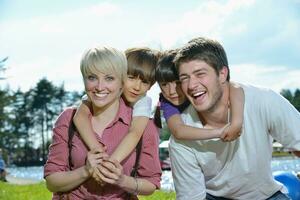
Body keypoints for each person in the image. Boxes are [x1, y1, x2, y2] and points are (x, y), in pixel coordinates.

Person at [168, 37, 300, 200]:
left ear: (222, 74)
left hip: (265, 196)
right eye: (185, 78)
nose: (191, 85)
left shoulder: (264, 100)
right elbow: (192, 197)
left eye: (200, 74)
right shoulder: (181, 137)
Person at [44, 46, 161, 199]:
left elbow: (150, 183)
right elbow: (52, 183)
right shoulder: (69, 118)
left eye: (109, 78)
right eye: (92, 77)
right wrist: (86, 171)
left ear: (120, 80)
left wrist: (122, 180)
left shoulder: (143, 122)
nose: (99, 87)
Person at [154, 49, 244, 142]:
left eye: (178, 83)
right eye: (164, 85)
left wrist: (236, 123)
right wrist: (220, 132)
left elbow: (235, 87)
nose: (171, 91)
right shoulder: (167, 103)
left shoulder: (194, 89)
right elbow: (178, 131)